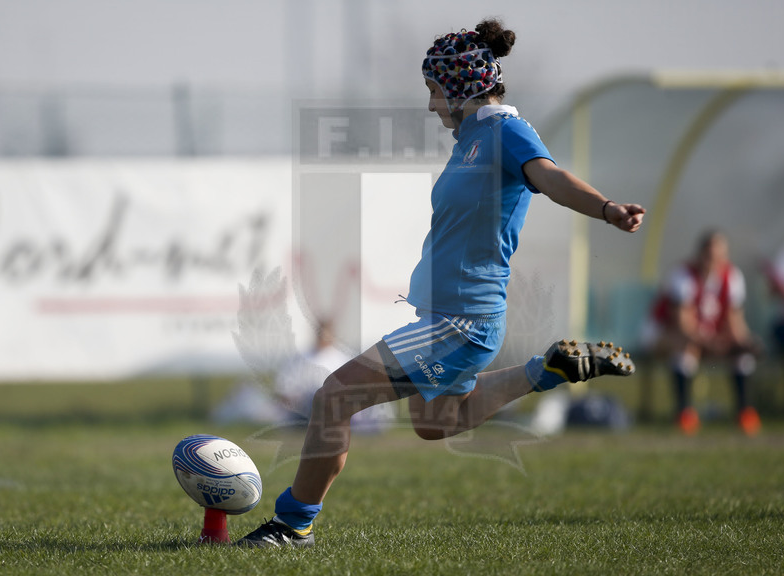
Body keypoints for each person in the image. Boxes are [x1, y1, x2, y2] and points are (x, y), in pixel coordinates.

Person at [237, 19, 646, 548]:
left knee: (334, 396)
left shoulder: (506, 131)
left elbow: (551, 178)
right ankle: (547, 370)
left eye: (434, 90)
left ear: (461, 88)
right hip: (451, 317)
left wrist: (608, 209)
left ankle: (294, 524)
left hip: (462, 322)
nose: (431, 106)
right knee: (435, 423)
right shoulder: (473, 138)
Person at [645, 230, 761, 435]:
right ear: (700, 254)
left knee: (741, 354)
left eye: (718, 256)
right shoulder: (683, 275)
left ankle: (744, 412)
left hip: (707, 336)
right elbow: (683, 325)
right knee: (685, 349)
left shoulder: (732, 276)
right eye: (709, 256)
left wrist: (744, 343)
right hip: (664, 333)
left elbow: (735, 321)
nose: (713, 261)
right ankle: (684, 413)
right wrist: (712, 343)